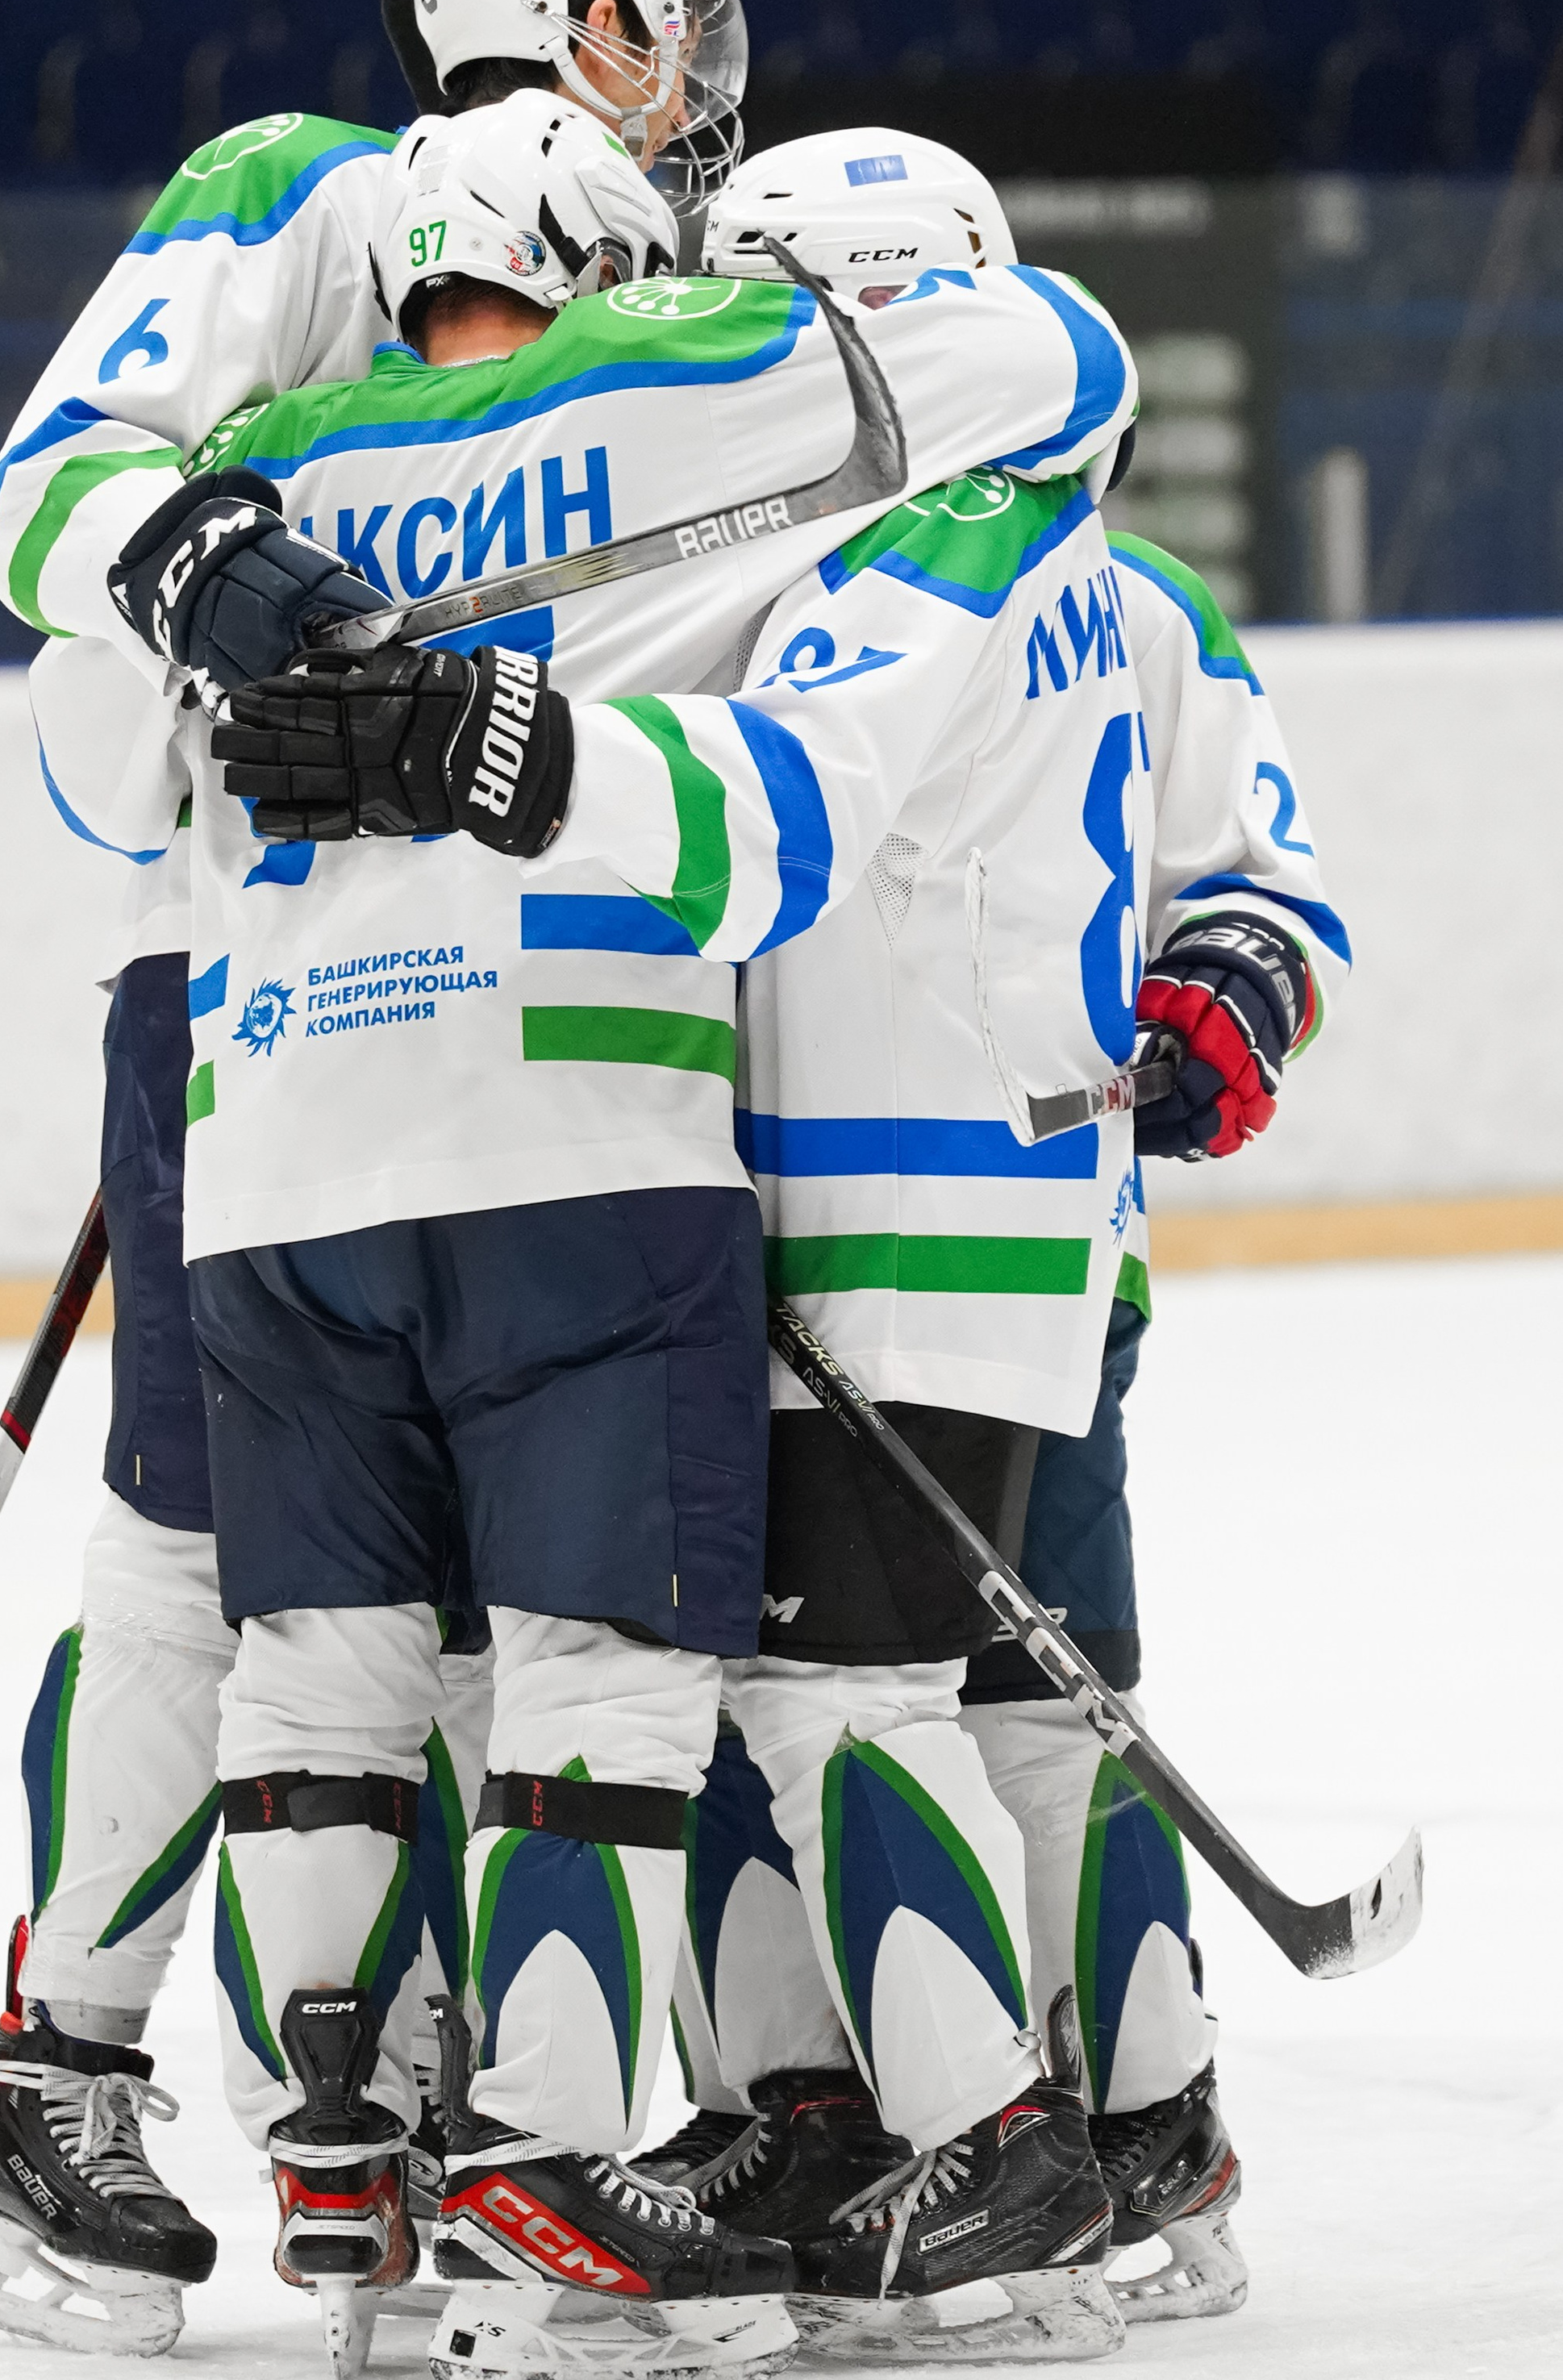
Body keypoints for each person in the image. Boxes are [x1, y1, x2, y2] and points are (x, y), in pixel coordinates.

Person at [185, 94, 1141, 2375]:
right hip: (604, 1136)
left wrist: (358, 715)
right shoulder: (724, 476)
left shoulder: (262, 476)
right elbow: (775, 835)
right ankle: (572, 2167)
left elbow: (105, 785)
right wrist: (497, 729)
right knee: (631, 1689)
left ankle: (349, 2163)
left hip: (278, 1144)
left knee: (321, 1680)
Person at [0, 0, 748, 2359]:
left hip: (494, 997)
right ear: (558, 4)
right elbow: (54, 484)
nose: (698, 78)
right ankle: (57, 2081)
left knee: (461, 1600)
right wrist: (204, 584)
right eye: (668, 22)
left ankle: (420, 2092)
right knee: (218, 1569)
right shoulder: (313, 186)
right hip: (265, 985)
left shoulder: (661, 282)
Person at [623, 131, 1348, 2340]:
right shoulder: (878, 571)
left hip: (923, 1233)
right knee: (1012, 1703)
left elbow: (1270, 885)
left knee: (884, 1695)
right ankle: (1044, 2119)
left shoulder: (1063, 590)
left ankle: (1022, 2125)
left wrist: (1230, 991)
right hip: (936, 1231)